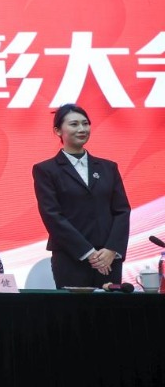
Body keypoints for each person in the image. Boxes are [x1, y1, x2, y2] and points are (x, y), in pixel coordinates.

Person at [32, 103, 131, 288]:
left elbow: (122, 211)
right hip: (70, 259)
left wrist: (111, 249)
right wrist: (88, 252)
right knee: (75, 307)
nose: (82, 129)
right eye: (74, 124)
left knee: (111, 306)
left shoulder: (108, 168)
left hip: (109, 259)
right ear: (57, 131)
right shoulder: (46, 170)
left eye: (85, 124)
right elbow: (52, 215)